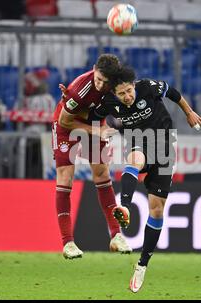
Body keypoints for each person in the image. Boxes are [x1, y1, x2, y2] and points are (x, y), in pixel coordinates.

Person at [92, 66, 201, 293]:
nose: (127, 97)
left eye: (129, 91)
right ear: (115, 93)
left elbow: (173, 93)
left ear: (134, 86)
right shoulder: (109, 103)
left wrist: (188, 112)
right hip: (139, 141)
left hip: (165, 148)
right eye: (121, 94)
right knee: (134, 159)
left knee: (157, 210)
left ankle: (142, 264)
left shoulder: (147, 87)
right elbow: (93, 115)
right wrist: (102, 128)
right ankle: (124, 206)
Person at [52, 54, 132, 259]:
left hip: (95, 125)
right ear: (94, 69)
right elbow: (65, 121)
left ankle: (116, 236)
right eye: (97, 79)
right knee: (65, 178)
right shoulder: (80, 89)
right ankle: (67, 242)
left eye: (104, 82)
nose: (99, 84)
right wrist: (95, 130)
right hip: (67, 126)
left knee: (102, 174)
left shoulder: (116, 87)